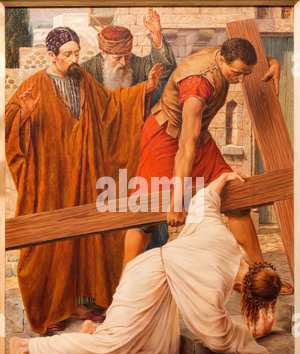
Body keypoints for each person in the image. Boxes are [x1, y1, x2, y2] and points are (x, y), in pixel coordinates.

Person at [7, 171, 282, 354]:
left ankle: (97, 328)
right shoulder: (215, 284)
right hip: (147, 279)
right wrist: (251, 333)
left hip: (152, 277)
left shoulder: (225, 241)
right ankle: (28, 346)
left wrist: (221, 180)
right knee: (113, 346)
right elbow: (217, 335)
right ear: (247, 295)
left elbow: (204, 203)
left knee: (161, 347)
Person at [5, 26, 163, 334]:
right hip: (51, 180)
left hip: (87, 175)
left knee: (87, 239)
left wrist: (144, 89)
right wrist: (24, 115)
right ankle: (52, 309)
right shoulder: (33, 84)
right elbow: (12, 129)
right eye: (68, 54)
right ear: (51, 56)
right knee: (52, 242)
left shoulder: (84, 80)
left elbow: (112, 106)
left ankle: (81, 304)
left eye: (77, 53)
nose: (75, 59)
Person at [121, 37, 293, 294]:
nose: (241, 79)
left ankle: (261, 272)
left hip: (195, 137)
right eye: (237, 73)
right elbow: (186, 146)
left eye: (245, 73)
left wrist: (274, 62)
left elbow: (249, 61)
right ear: (222, 60)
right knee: (146, 212)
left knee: (236, 197)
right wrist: (177, 201)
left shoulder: (228, 54)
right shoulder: (197, 86)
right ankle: (125, 283)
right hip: (167, 139)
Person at [81, 8, 177, 253]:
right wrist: (142, 90)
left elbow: (165, 72)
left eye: (127, 55)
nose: (124, 63)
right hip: (103, 158)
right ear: (103, 54)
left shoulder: (139, 64)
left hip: (139, 155)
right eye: (117, 59)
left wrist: (156, 35)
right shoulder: (88, 72)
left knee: (146, 215)